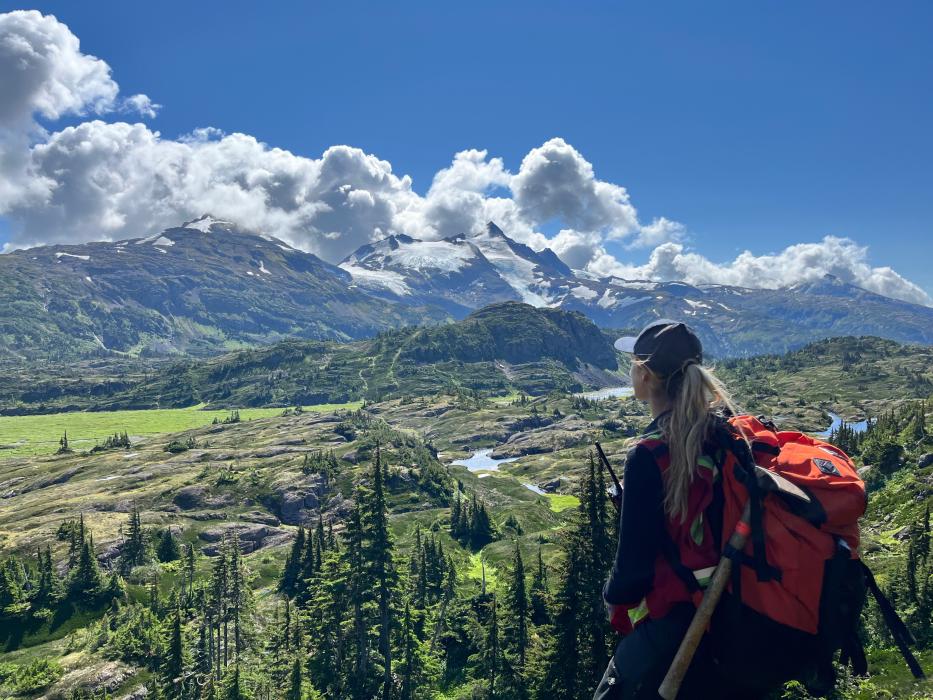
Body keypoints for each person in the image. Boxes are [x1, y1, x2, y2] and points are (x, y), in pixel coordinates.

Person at [593, 319, 740, 700]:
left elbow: (633, 574)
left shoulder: (648, 455)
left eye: (632, 363)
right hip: (732, 613)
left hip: (676, 621)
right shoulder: (726, 435)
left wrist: (610, 595)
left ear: (644, 374)